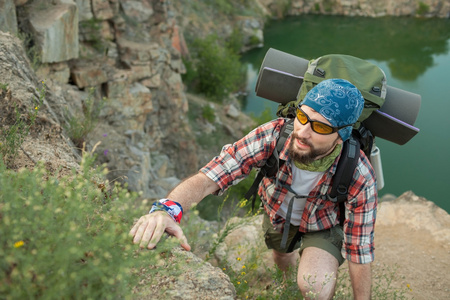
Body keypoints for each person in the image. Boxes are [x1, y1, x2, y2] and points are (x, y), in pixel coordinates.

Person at [129, 78, 377, 300]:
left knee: (314, 288)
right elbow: (214, 174)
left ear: (342, 135)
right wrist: (167, 210)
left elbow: (359, 247)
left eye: (321, 127)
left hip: (323, 224)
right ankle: (286, 289)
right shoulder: (274, 135)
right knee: (282, 258)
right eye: (302, 116)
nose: (303, 131)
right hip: (278, 215)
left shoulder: (358, 173)